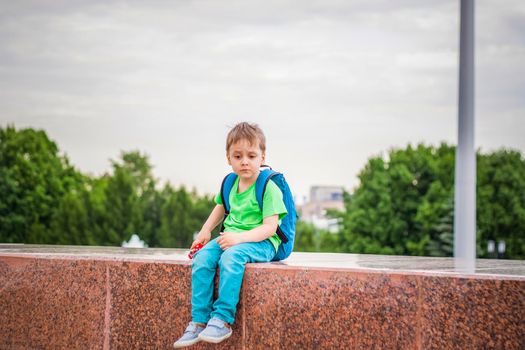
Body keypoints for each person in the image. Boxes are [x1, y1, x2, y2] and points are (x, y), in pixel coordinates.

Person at [174, 122, 288, 348]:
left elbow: (270, 228)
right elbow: (220, 207)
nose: (244, 161)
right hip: (233, 237)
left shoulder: (269, 187)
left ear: (262, 157)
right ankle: (199, 321)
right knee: (203, 258)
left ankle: (222, 320)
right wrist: (206, 231)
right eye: (238, 156)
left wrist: (238, 239)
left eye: (251, 155)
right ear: (228, 158)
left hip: (262, 241)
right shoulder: (230, 183)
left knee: (231, 257)